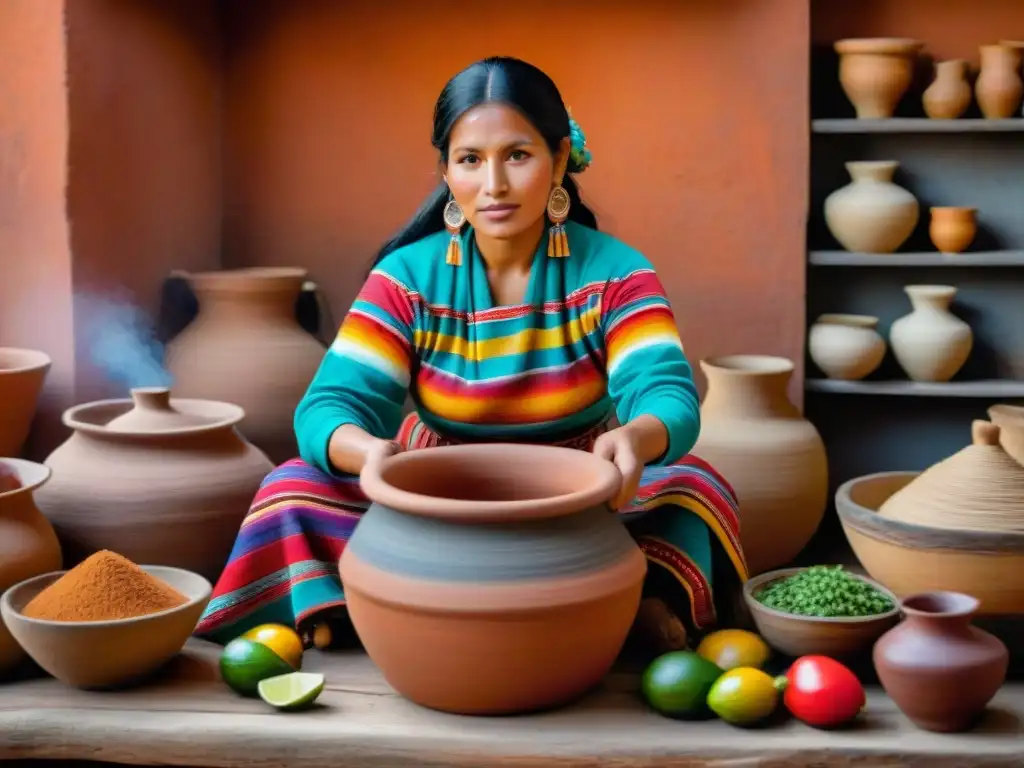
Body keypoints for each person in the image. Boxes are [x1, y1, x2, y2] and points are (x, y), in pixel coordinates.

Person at [195, 56, 748, 652]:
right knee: (290, 489)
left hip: (584, 494)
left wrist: (637, 439)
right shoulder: (407, 277)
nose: (494, 186)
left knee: (695, 486)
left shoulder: (618, 274)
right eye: (470, 160)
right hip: (435, 491)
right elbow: (330, 404)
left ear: (560, 159)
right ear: (446, 173)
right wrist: (371, 453)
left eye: (517, 155)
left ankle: (390, 604)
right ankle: (600, 606)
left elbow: (667, 393)